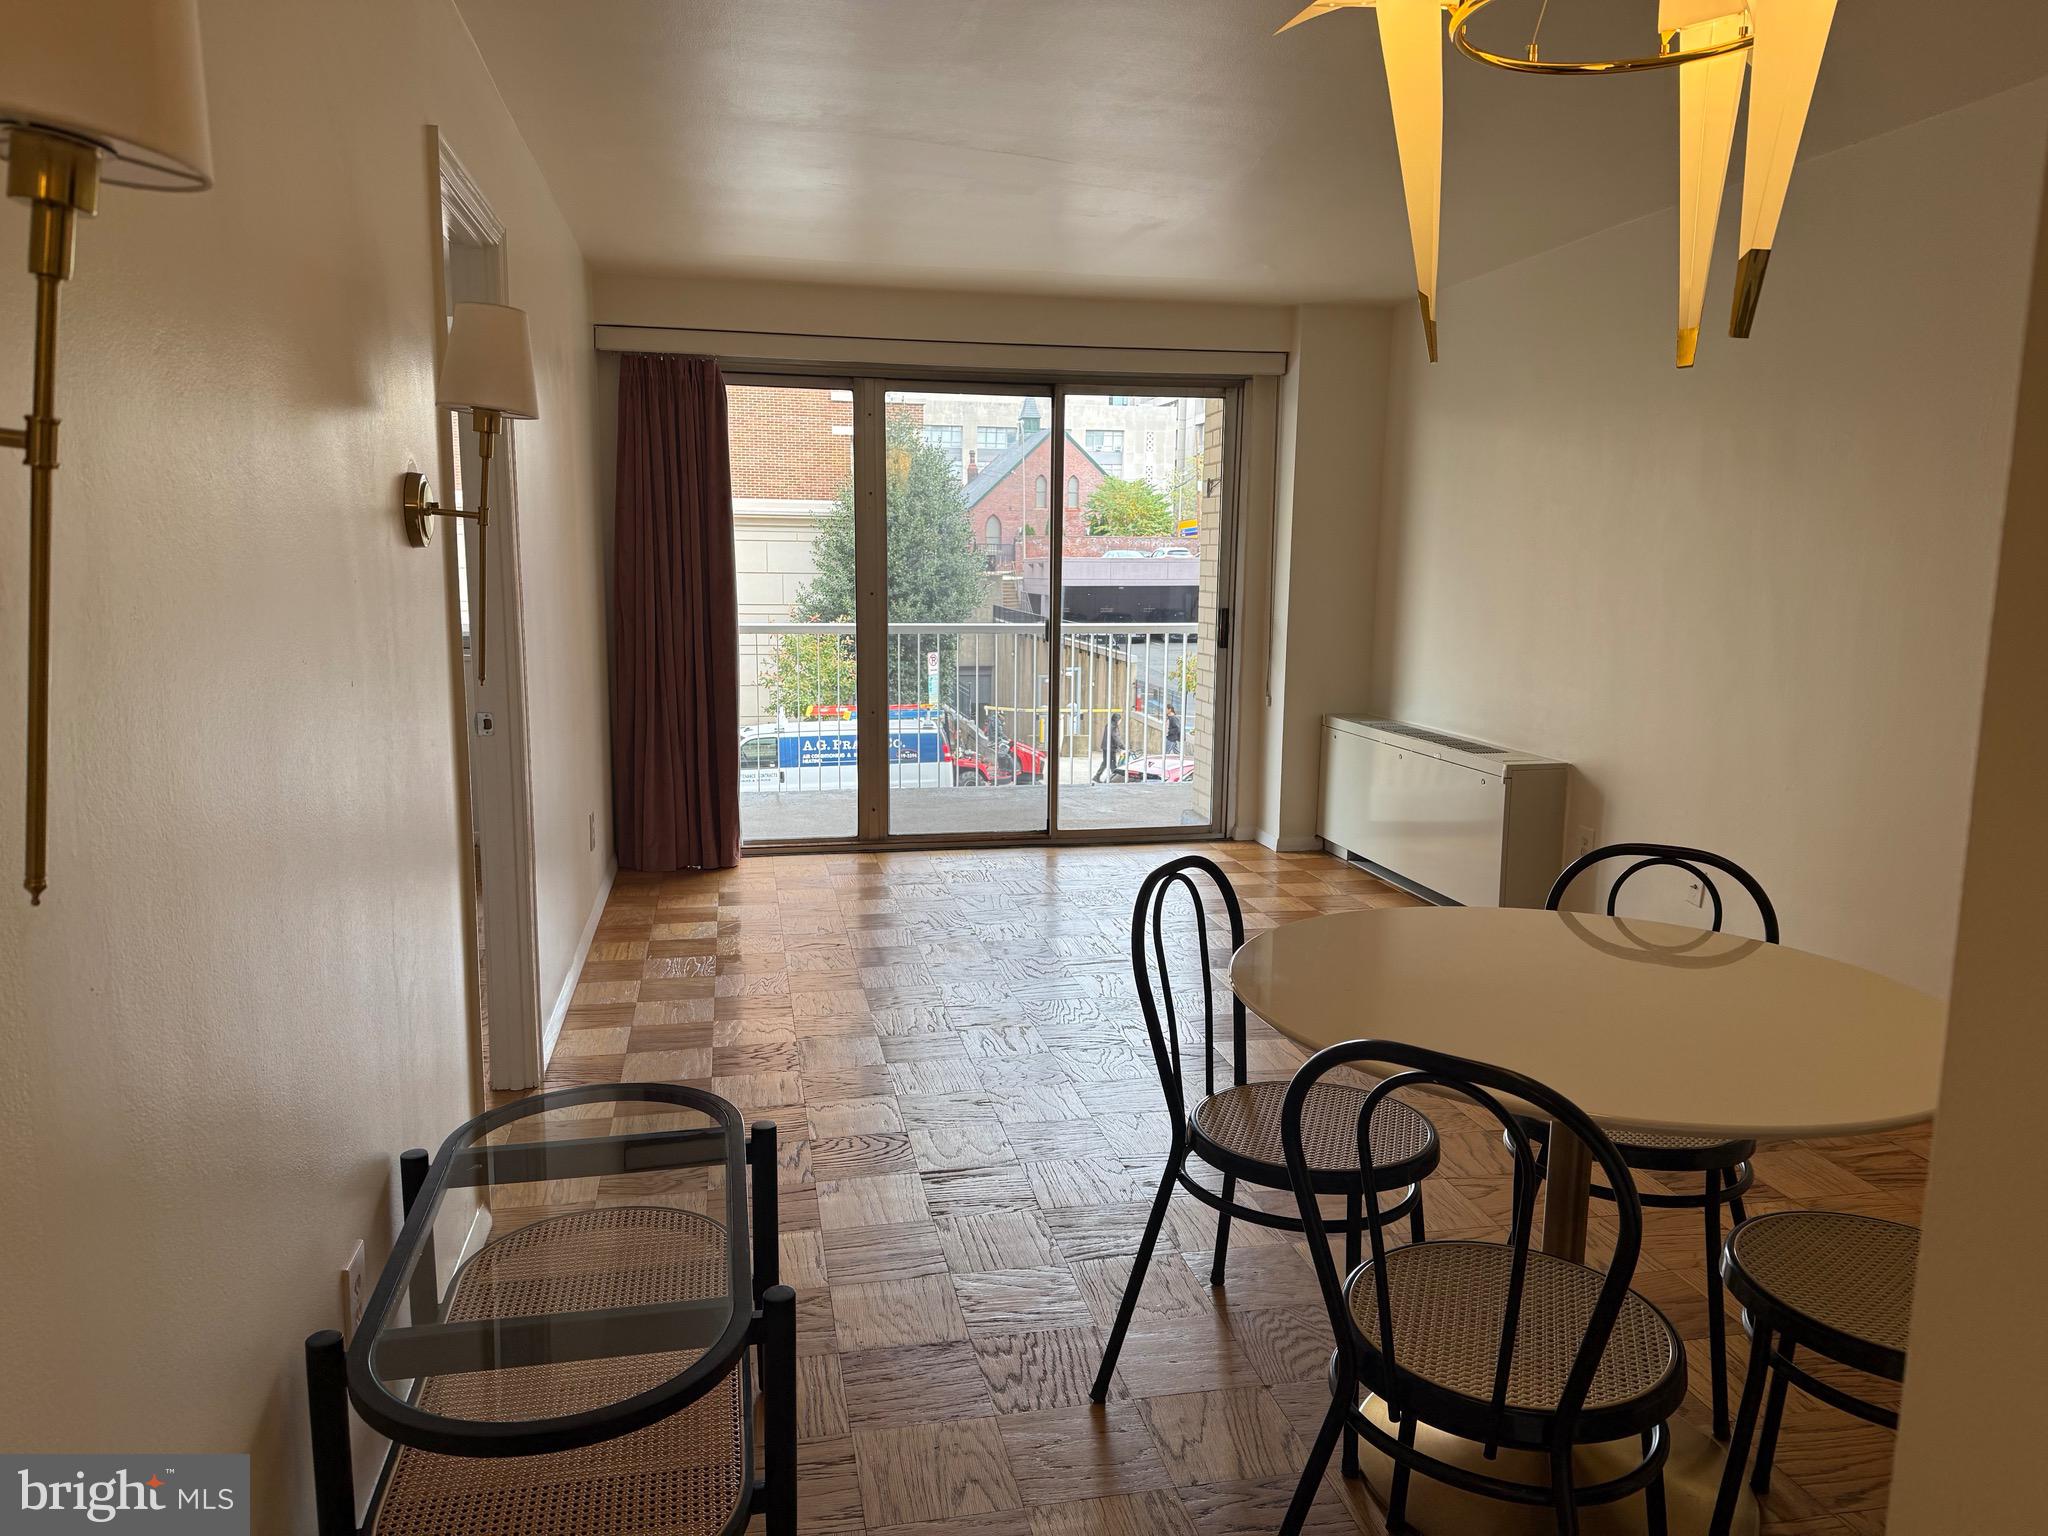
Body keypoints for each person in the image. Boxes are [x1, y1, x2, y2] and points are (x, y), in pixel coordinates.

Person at [1092, 711, 1124, 782]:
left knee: (1106, 762)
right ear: (1117, 720)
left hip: (1106, 747)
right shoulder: (1113, 727)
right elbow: (1116, 737)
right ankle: (1114, 779)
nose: (1120, 722)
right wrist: (1123, 746)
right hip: (1110, 748)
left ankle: (1097, 776)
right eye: (1120, 720)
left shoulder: (1109, 725)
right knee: (1112, 764)